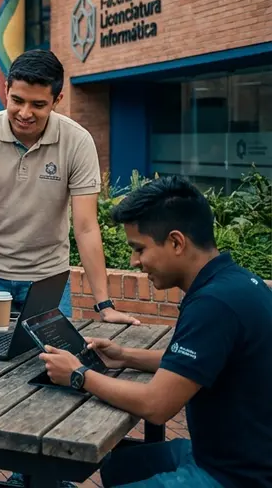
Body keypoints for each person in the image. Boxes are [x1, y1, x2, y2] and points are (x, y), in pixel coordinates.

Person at [40, 176, 272, 487]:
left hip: (234, 475)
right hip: (225, 455)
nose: (134, 262)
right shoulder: (235, 282)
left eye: (139, 248)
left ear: (176, 242)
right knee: (119, 467)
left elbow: (157, 405)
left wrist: (79, 375)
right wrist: (124, 356)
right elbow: (195, 363)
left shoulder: (213, 304)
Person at [0, 49, 139, 325]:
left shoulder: (77, 142)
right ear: (6, 89)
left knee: (53, 351)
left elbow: (86, 227)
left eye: (38, 104)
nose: (25, 113)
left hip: (48, 280)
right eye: (17, 100)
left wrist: (105, 305)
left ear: (57, 100)